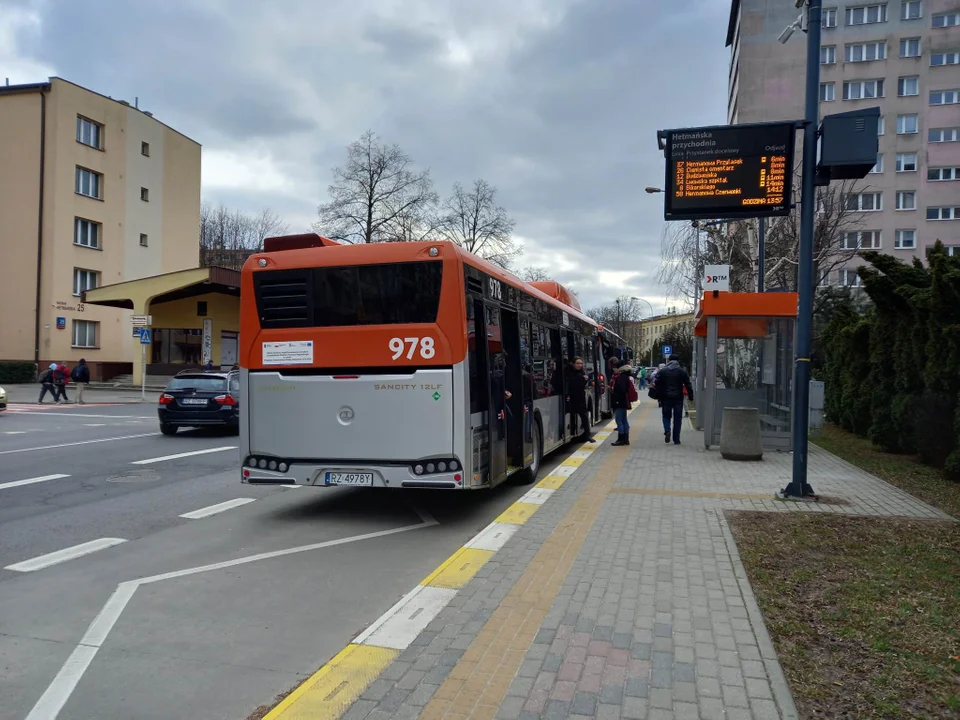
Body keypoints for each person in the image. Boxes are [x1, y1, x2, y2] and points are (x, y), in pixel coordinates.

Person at [654, 354, 694, 445]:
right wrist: (691, 396)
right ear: (677, 361)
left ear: (669, 361)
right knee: (678, 418)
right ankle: (676, 439)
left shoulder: (663, 371)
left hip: (666, 397)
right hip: (678, 398)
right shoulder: (681, 371)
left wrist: (659, 394)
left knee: (666, 416)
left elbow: (656, 383)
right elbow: (688, 384)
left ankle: (667, 430)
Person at [565, 357, 594, 443]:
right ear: (573, 364)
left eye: (581, 363)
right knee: (571, 414)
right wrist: (583, 379)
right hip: (571, 397)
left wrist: (585, 380)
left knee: (584, 416)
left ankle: (587, 435)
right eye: (577, 363)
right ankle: (572, 431)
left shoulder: (581, 372)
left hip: (580, 398)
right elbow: (573, 382)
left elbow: (581, 385)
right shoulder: (569, 372)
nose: (579, 365)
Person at [610, 363, 634, 446]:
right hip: (624, 401)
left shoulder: (621, 377)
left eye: (616, 368)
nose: (615, 369)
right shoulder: (626, 377)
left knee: (619, 420)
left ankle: (621, 439)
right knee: (624, 420)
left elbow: (621, 390)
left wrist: (616, 399)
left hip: (620, 401)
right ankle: (626, 439)